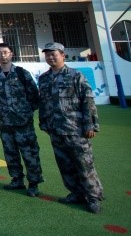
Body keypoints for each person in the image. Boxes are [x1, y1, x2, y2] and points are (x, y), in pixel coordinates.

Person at [38, 42, 104, 213]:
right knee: (65, 165)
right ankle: (76, 193)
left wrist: (90, 125)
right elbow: (43, 102)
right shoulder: (44, 78)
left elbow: (87, 100)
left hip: (75, 129)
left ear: (63, 55)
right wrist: (43, 122)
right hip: (55, 129)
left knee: (84, 164)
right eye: (47, 54)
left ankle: (93, 198)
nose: (50, 57)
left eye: (54, 54)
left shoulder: (76, 75)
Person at [0, 43, 43, 197]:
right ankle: (17, 179)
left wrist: (25, 112)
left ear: (11, 54)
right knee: (10, 152)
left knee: (29, 152)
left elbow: (34, 95)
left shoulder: (21, 73)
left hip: (23, 122)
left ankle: (33, 183)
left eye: (5, 52)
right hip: (5, 122)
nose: (2, 55)